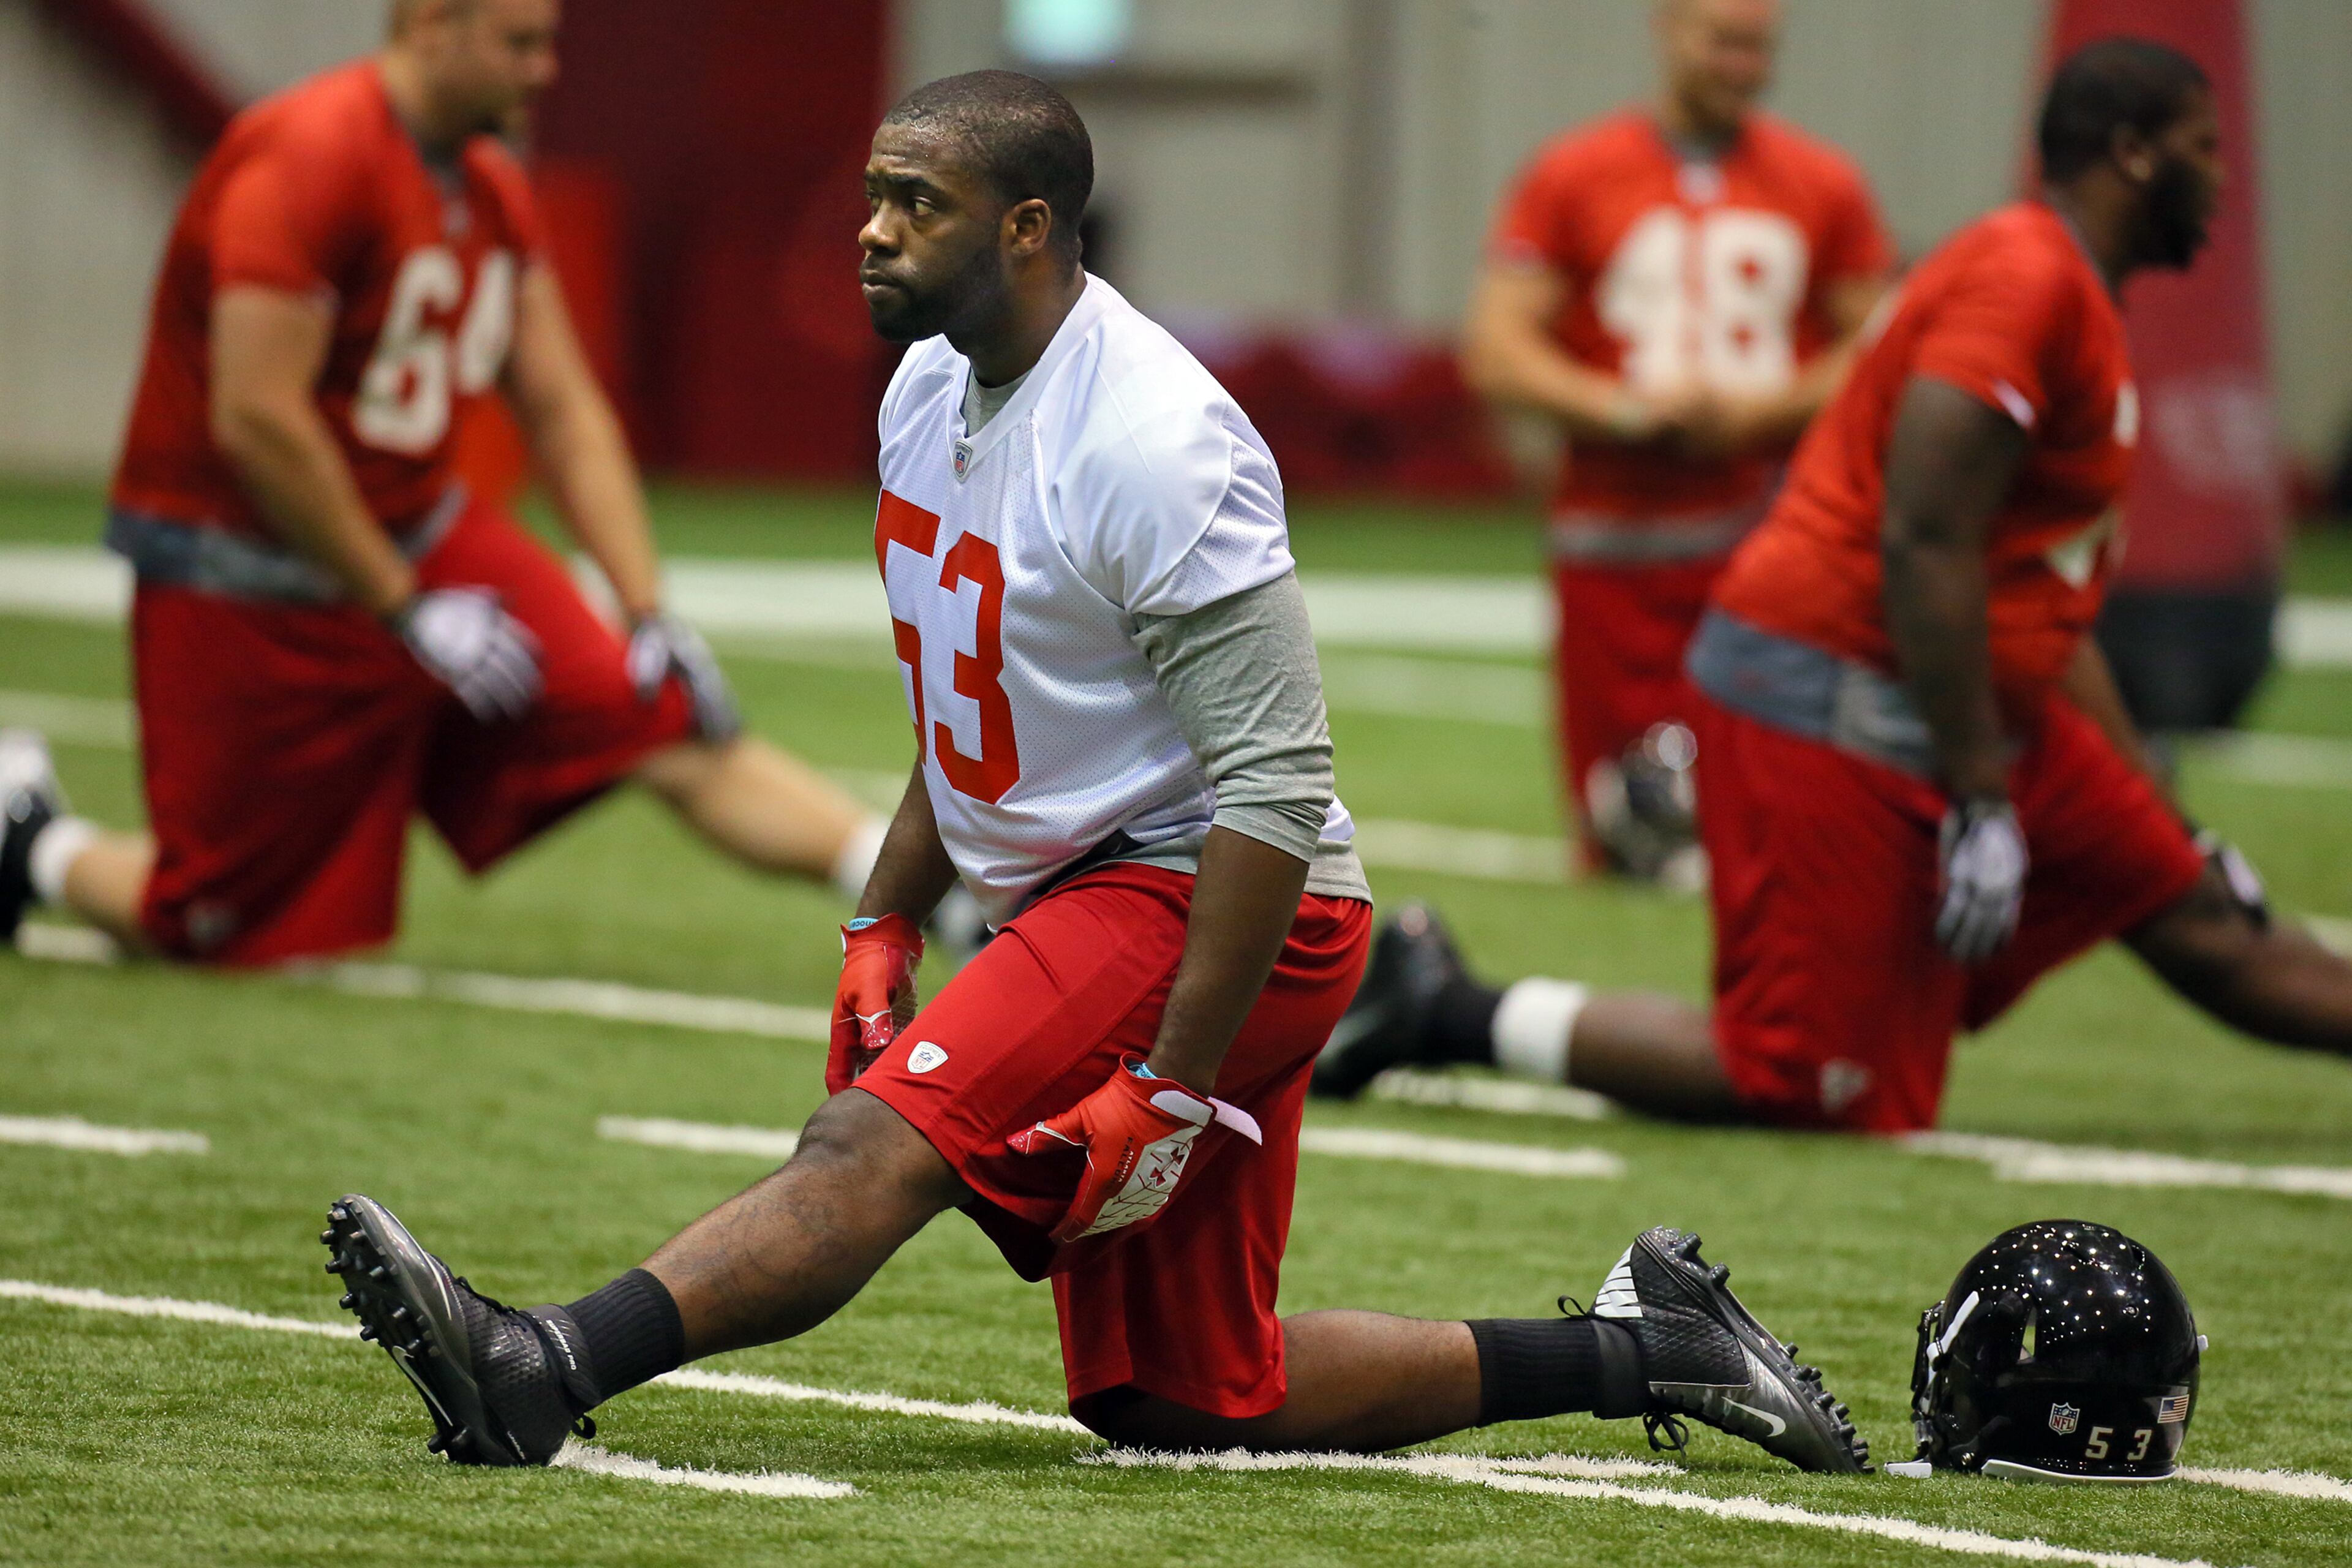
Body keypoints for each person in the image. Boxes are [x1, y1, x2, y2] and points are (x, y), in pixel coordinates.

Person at [318, 72, 1868, 1476]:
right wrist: (885, 912)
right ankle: (1647, 1346)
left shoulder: (1154, 438)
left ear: (1028, 228)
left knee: (870, 1145)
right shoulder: (928, 385)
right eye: (872, 195)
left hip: (1217, 895)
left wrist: (1171, 1077)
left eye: (915, 203)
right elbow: (972, 694)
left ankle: (545, 1362)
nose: (870, 231)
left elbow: (1275, 786)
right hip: (1113, 881)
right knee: (1188, 1395)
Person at [1319, 38, 2352, 1133]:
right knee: (1810, 1075)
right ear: (2135, 155)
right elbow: (1925, 536)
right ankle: (1449, 1009)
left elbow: (2033, 593)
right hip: (1843, 691)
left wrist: (2153, 804)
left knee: (2202, 914)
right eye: (2205, 147)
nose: (2226, 177)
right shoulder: (2025, 280)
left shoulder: (2055, 283)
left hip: (1971, 690)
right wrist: (1983, 797)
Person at [0, 0, 891, 965]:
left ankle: (919, 889)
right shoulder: (311, 153)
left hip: (416, 534)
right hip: (250, 565)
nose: (544, 71)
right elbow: (257, 418)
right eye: (520, 43)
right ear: (432, 27)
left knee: (655, 707)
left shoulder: (487, 180)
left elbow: (562, 407)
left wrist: (645, 608)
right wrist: (403, 605)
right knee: (212, 920)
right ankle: (27, 837)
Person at [1461, 0, 1891, 883]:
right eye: (1723, 42)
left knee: (1768, 835)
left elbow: (1881, 347)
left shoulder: (1823, 180)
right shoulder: (1575, 172)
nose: (1742, 66)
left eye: (1758, 48)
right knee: (1618, 841)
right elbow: (1495, 348)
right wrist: (1625, 409)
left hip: (1764, 541)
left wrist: (1762, 411)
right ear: (1667, 29)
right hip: (1614, 540)